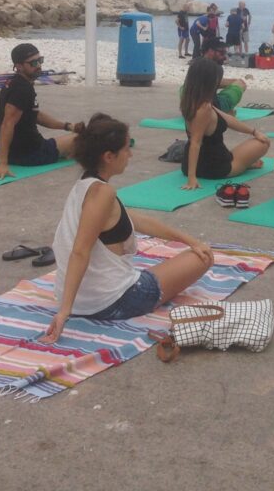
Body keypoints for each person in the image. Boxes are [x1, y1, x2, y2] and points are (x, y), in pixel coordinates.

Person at [39, 114, 214, 343]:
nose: (130, 154)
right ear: (109, 156)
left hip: (81, 300)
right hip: (115, 301)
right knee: (204, 257)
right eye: (126, 149)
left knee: (194, 250)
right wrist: (64, 313)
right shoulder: (102, 193)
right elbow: (80, 251)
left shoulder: (85, 185)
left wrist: (190, 240)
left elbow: (136, 220)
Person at [0, 43, 84, 181]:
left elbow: (36, 115)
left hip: (18, 153)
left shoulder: (13, 82)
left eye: (40, 60)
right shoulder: (22, 90)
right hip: (32, 154)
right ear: (19, 66)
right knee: (84, 138)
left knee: (74, 137)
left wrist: (67, 126)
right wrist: (2, 163)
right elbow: (7, 124)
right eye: (33, 63)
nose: (38, 65)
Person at [180, 58, 270, 189]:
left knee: (258, 139)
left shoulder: (192, 101)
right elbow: (196, 143)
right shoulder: (204, 108)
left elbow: (228, 119)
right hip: (215, 167)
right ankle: (245, 164)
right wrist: (191, 178)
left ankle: (245, 162)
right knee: (264, 143)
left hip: (191, 164)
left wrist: (254, 132)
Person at [200, 38, 247, 113]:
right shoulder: (216, 68)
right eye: (222, 53)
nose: (225, 57)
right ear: (210, 51)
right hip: (211, 108)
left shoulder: (194, 64)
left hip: (188, 108)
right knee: (241, 83)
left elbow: (206, 83)